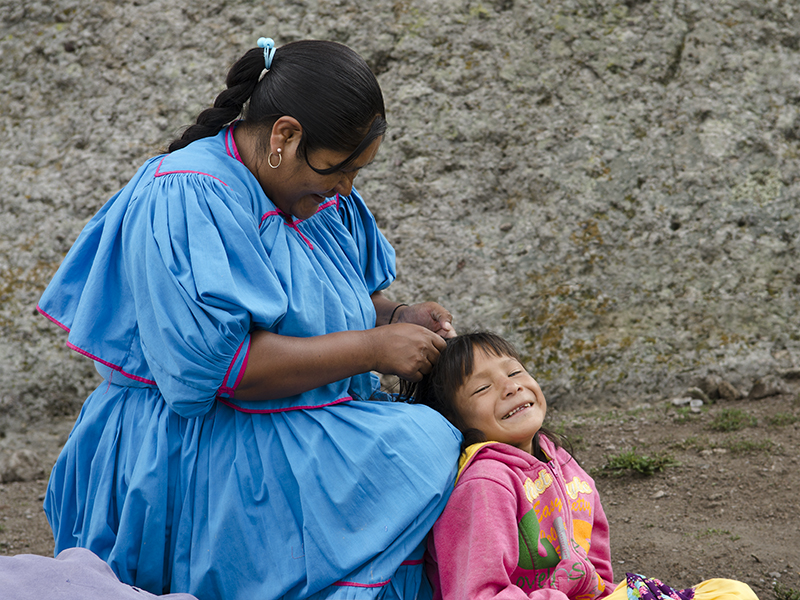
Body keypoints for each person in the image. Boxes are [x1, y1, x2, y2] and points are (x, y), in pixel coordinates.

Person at [36, 37, 462, 600]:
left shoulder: (311, 193)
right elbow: (218, 372)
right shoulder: (189, 194)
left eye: (357, 172)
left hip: (284, 420)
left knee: (448, 445)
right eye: (338, 169)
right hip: (201, 440)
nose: (345, 188)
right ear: (285, 136)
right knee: (421, 443)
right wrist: (373, 349)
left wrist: (399, 314)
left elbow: (331, 297)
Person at [405, 332, 758, 600]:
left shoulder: (563, 464)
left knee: (731, 591)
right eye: (483, 388)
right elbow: (475, 594)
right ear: (452, 418)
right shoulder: (484, 484)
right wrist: (558, 590)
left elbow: (598, 571)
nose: (510, 387)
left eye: (514, 371)